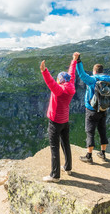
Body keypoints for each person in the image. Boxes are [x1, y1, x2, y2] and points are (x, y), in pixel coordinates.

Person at [40, 52, 79, 182]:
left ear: (60, 81)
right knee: (66, 144)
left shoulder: (59, 90)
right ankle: (68, 168)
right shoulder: (70, 86)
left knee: (54, 148)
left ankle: (55, 175)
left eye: (58, 79)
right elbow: (71, 74)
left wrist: (44, 71)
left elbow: (51, 83)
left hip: (55, 122)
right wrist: (74, 61)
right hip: (65, 121)